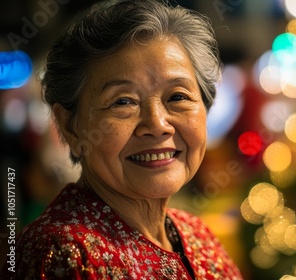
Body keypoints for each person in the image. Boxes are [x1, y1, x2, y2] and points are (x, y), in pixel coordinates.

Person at [1, 0, 243, 279]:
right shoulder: (63, 252)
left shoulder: (199, 235)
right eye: (123, 102)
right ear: (70, 125)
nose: (157, 125)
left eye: (177, 97)